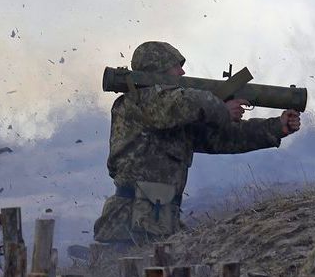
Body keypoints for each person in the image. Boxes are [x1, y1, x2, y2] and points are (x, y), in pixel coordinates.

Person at [94, 41, 301, 246]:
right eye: (176, 66)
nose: (183, 72)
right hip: (128, 227)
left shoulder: (175, 118)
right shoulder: (140, 101)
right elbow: (181, 103)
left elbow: (224, 138)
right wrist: (220, 107)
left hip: (156, 223)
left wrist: (277, 127)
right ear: (159, 68)